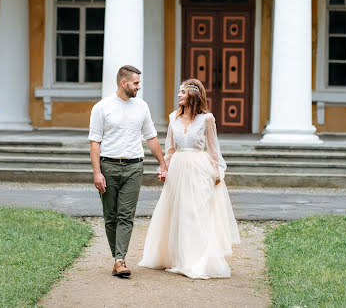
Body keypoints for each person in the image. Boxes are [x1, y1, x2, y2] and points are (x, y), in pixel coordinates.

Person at [138, 78, 240, 279]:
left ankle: (197, 260)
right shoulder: (173, 118)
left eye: (182, 92)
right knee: (180, 212)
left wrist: (217, 173)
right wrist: (163, 168)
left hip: (199, 169)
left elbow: (213, 149)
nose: (178, 95)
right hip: (178, 169)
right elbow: (170, 149)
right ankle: (180, 258)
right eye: (179, 92)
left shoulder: (207, 119)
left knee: (197, 212)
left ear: (193, 95)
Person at [88, 65, 168, 278]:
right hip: (108, 165)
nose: (138, 87)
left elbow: (151, 137)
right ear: (124, 83)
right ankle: (118, 257)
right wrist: (97, 172)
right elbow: (95, 142)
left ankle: (119, 259)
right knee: (110, 216)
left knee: (126, 215)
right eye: (135, 83)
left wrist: (163, 163)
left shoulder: (142, 107)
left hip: (134, 166)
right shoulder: (101, 108)